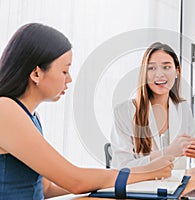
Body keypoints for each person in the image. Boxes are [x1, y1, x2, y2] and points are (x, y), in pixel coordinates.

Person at [0, 23, 174, 200]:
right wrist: (146, 172)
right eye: (64, 71)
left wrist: (109, 181)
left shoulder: (31, 116)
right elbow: (76, 181)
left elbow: (47, 189)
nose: (69, 79)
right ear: (36, 73)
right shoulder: (5, 110)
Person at [111, 42, 195, 169]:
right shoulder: (124, 112)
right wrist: (166, 153)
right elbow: (121, 168)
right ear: (145, 73)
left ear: (177, 71)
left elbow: (194, 160)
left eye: (166, 67)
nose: (159, 74)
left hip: (178, 186)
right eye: (152, 68)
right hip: (140, 188)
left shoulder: (183, 108)